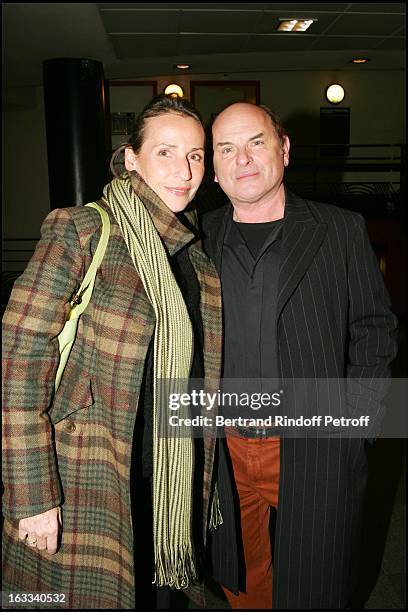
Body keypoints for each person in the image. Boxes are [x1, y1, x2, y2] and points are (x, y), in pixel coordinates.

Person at [2, 94, 223, 609]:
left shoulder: (196, 254)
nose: (184, 170)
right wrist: (34, 495)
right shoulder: (81, 229)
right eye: (166, 152)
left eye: (195, 155)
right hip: (87, 469)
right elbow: (17, 358)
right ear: (131, 158)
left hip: (167, 471)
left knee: (156, 594)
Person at [203, 102, 398, 609]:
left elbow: (374, 329)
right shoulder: (195, 237)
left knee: (318, 580)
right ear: (213, 166)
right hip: (220, 449)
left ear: (284, 149)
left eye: (256, 142)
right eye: (226, 148)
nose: (241, 158)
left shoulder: (341, 229)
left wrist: (360, 423)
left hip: (314, 442)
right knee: (239, 578)